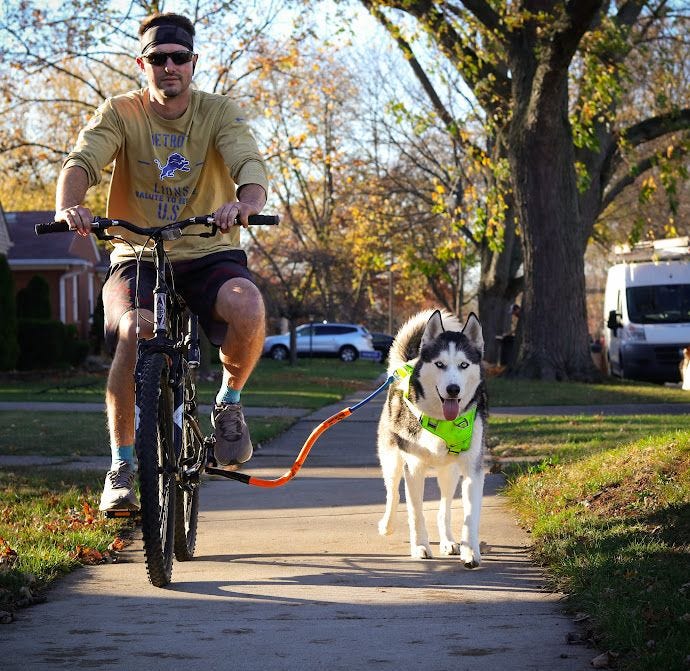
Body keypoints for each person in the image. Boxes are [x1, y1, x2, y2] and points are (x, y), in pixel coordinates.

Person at [54, 12, 269, 513]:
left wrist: (246, 204)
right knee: (136, 330)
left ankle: (229, 405)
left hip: (209, 249)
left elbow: (248, 163)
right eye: (157, 58)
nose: (168, 66)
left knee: (249, 305)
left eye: (178, 58)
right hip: (138, 252)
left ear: (193, 63)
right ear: (142, 63)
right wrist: (70, 206)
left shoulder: (217, 112)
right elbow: (82, 160)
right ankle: (122, 467)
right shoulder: (120, 111)